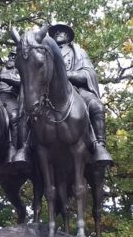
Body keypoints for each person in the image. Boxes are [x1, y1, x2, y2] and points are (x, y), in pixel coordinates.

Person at [48, 23, 113, 166]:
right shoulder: (46, 52)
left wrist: (67, 74)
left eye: (62, 31)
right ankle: (24, 146)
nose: (58, 33)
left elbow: (87, 73)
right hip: (49, 93)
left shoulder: (78, 52)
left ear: (68, 36)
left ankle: (99, 145)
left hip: (77, 90)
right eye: (55, 32)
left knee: (96, 106)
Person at [0, 50, 30, 166]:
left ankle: (13, 148)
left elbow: (20, 82)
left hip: (9, 98)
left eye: (14, 56)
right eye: (10, 55)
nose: (11, 57)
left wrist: (2, 77)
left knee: (14, 117)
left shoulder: (20, 70)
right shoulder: (3, 69)